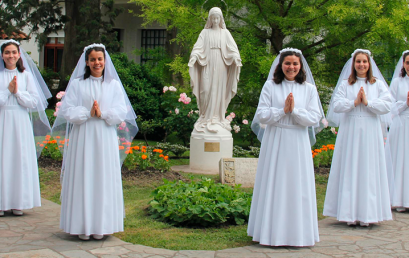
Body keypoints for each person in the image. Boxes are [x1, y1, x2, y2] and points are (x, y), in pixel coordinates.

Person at [52, 43, 138, 240]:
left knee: (102, 176)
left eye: (100, 59)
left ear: (105, 61)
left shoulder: (113, 85)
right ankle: (82, 225)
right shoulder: (77, 84)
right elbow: (67, 110)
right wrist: (86, 113)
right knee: (83, 175)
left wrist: (102, 113)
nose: (97, 62)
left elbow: (120, 111)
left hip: (104, 136)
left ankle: (101, 225)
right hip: (82, 136)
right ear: (87, 62)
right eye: (93, 59)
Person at [248, 48, 325, 246]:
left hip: (298, 140)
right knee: (275, 182)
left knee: (297, 184)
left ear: (301, 66)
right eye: (287, 63)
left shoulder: (309, 89)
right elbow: (262, 115)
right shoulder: (270, 86)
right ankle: (271, 232)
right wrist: (282, 111)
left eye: (295, 64)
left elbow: (315, 117)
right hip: (275, 139)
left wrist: (295, 111)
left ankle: (298, 234)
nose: (291, 67)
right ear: (280, 66)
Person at [324, 49, 393, 226]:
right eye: (358, 62)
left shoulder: (377, 84)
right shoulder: (346, 84)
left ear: (369, 64)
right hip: (350, 130)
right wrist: (354, 102)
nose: (361, 65)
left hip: (370, 130)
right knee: (350, 166)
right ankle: (349, 214)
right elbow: (337, 105)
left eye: (364, 61)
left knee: (368, 169)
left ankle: (368, 214)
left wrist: (368, 102)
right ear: (353, 64)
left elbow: (387, 104)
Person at [0, 39, 51, 216]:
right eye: (7, 52)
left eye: (14, 52)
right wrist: (7, 91)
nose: (11, 55)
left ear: (19, 54)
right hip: (2, 119)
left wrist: (17, 92)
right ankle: (2, 202)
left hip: (20, 121)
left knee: (18, 157)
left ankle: (18, 201)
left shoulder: (26, 76)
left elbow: (34, 101)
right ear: (2, 55)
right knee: (3, 158)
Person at [188, 7, 242, 133]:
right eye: (213, 18)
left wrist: (235, 57)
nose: (216, 20)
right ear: (210, 19)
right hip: (207, 63)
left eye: (217, 18)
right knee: (205, 90)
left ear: (221, 19)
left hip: (221, 65)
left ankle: (217, 117)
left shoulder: (225, 33)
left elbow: (233, 49)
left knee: (219, 91)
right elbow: (198, 47)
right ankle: (205, 117)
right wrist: (194, 56)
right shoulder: (205, 33)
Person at [385, 50, 409, 212]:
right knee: (401, 160)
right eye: (408, 63)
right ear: (403, 64)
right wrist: (405, 103)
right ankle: (400, 199)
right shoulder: (397, 82)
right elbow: (389, 107)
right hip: (401, 124)